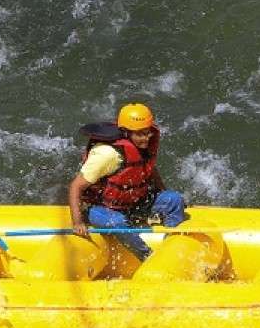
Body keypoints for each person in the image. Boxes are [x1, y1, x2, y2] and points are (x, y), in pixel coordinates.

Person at [66, 102, 186, 261]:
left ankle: (171, 245)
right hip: (101, 208)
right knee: (116, 222)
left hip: (132, 203)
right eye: (140, 134)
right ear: (126, 133)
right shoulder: (107, 154)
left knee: (174, 200)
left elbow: (149, 169)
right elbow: (76, 186)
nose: (147, 137)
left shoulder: (142, 145)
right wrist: (77, 222)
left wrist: (163, 193)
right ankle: (148, 256)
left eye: (148, 132)